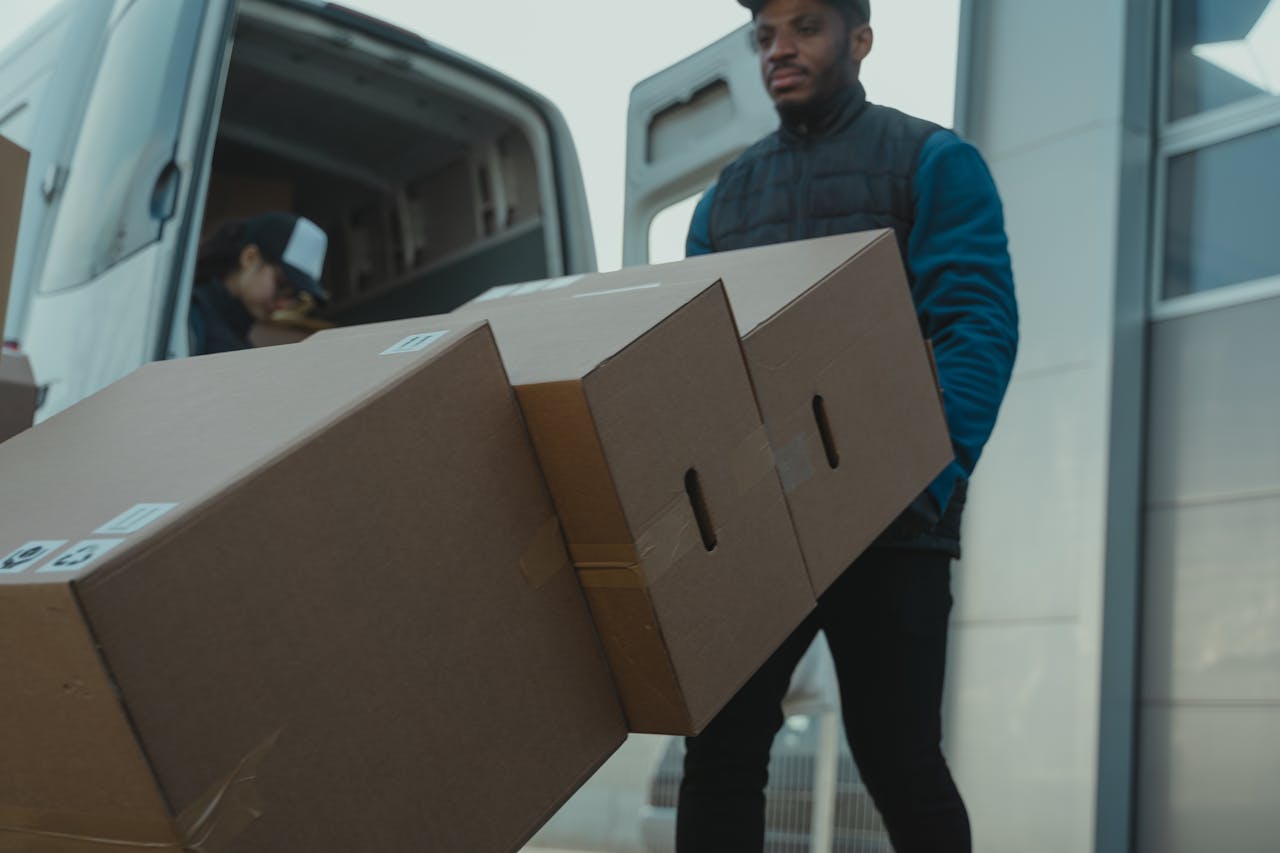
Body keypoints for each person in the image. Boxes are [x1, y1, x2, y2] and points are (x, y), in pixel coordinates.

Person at [676, 1, 1018, 851]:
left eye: (804, 26)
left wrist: (926, 480)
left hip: (893, 523)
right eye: (765, 35)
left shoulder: (932, 160)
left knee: (899, 760)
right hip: (763, 522)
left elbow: (975, 327)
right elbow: (688, 362)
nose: (779, 48)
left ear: (859, 40)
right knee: (717, 753)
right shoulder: (723, 201)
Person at [188, 212, 329, 355]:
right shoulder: (190, 319)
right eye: (281, 285)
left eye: (293, 296)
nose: (282, 304)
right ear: (250, 257)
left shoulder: (236, 336)